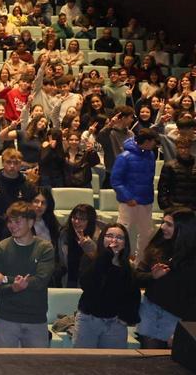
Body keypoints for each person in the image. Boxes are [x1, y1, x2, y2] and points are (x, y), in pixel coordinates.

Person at [0, 201, 55, 348]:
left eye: (17, 222)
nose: (12, 226)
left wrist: (6, 279)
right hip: (6, 317)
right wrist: (13, 287)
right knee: (3, 361)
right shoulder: (2, 247)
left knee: (37, 362)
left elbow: (40, 281)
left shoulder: (45, 248)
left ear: (31, 222)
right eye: (10, 222)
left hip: (36, 318)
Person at [134, 208, 195, 349]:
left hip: (177, 316)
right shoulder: (157, 247)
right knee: (149, 356)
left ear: (183, 229)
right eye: (163, 222)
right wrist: (152, 276)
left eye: (169, 224)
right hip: (150, 310)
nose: (162, 227)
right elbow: (136, 277)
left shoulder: (192, 258)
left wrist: (185, 328)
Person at [74, 223, 140, 349]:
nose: (114, 240)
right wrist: (106, 255)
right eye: (109, 236)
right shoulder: (91, 258)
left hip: (115, 323)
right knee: (83, 359)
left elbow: (133, 294)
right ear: (102, 239)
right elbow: (86, 284)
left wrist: (126, 317)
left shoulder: (128, 267)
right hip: (88, 320)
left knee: (113, 360)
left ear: (125, 243)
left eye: (119, 238)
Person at [111, 127, 160, 262]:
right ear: (147, 141)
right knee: (122, 231)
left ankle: (140, 262)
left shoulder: (150, 155)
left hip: (146, 201)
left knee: (146, 233)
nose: (155, 144)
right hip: (129, 203)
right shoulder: (124, 157)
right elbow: (116, 181)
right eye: (153, 141)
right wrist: (128, 197)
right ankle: (116, 260)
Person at [0, 148, 36, 241]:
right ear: (2, 163)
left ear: (21, 164)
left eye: (16, 163)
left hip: (19, 226)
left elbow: (30, 207)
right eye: (8, 162)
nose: (12, 166)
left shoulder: (27, 185)